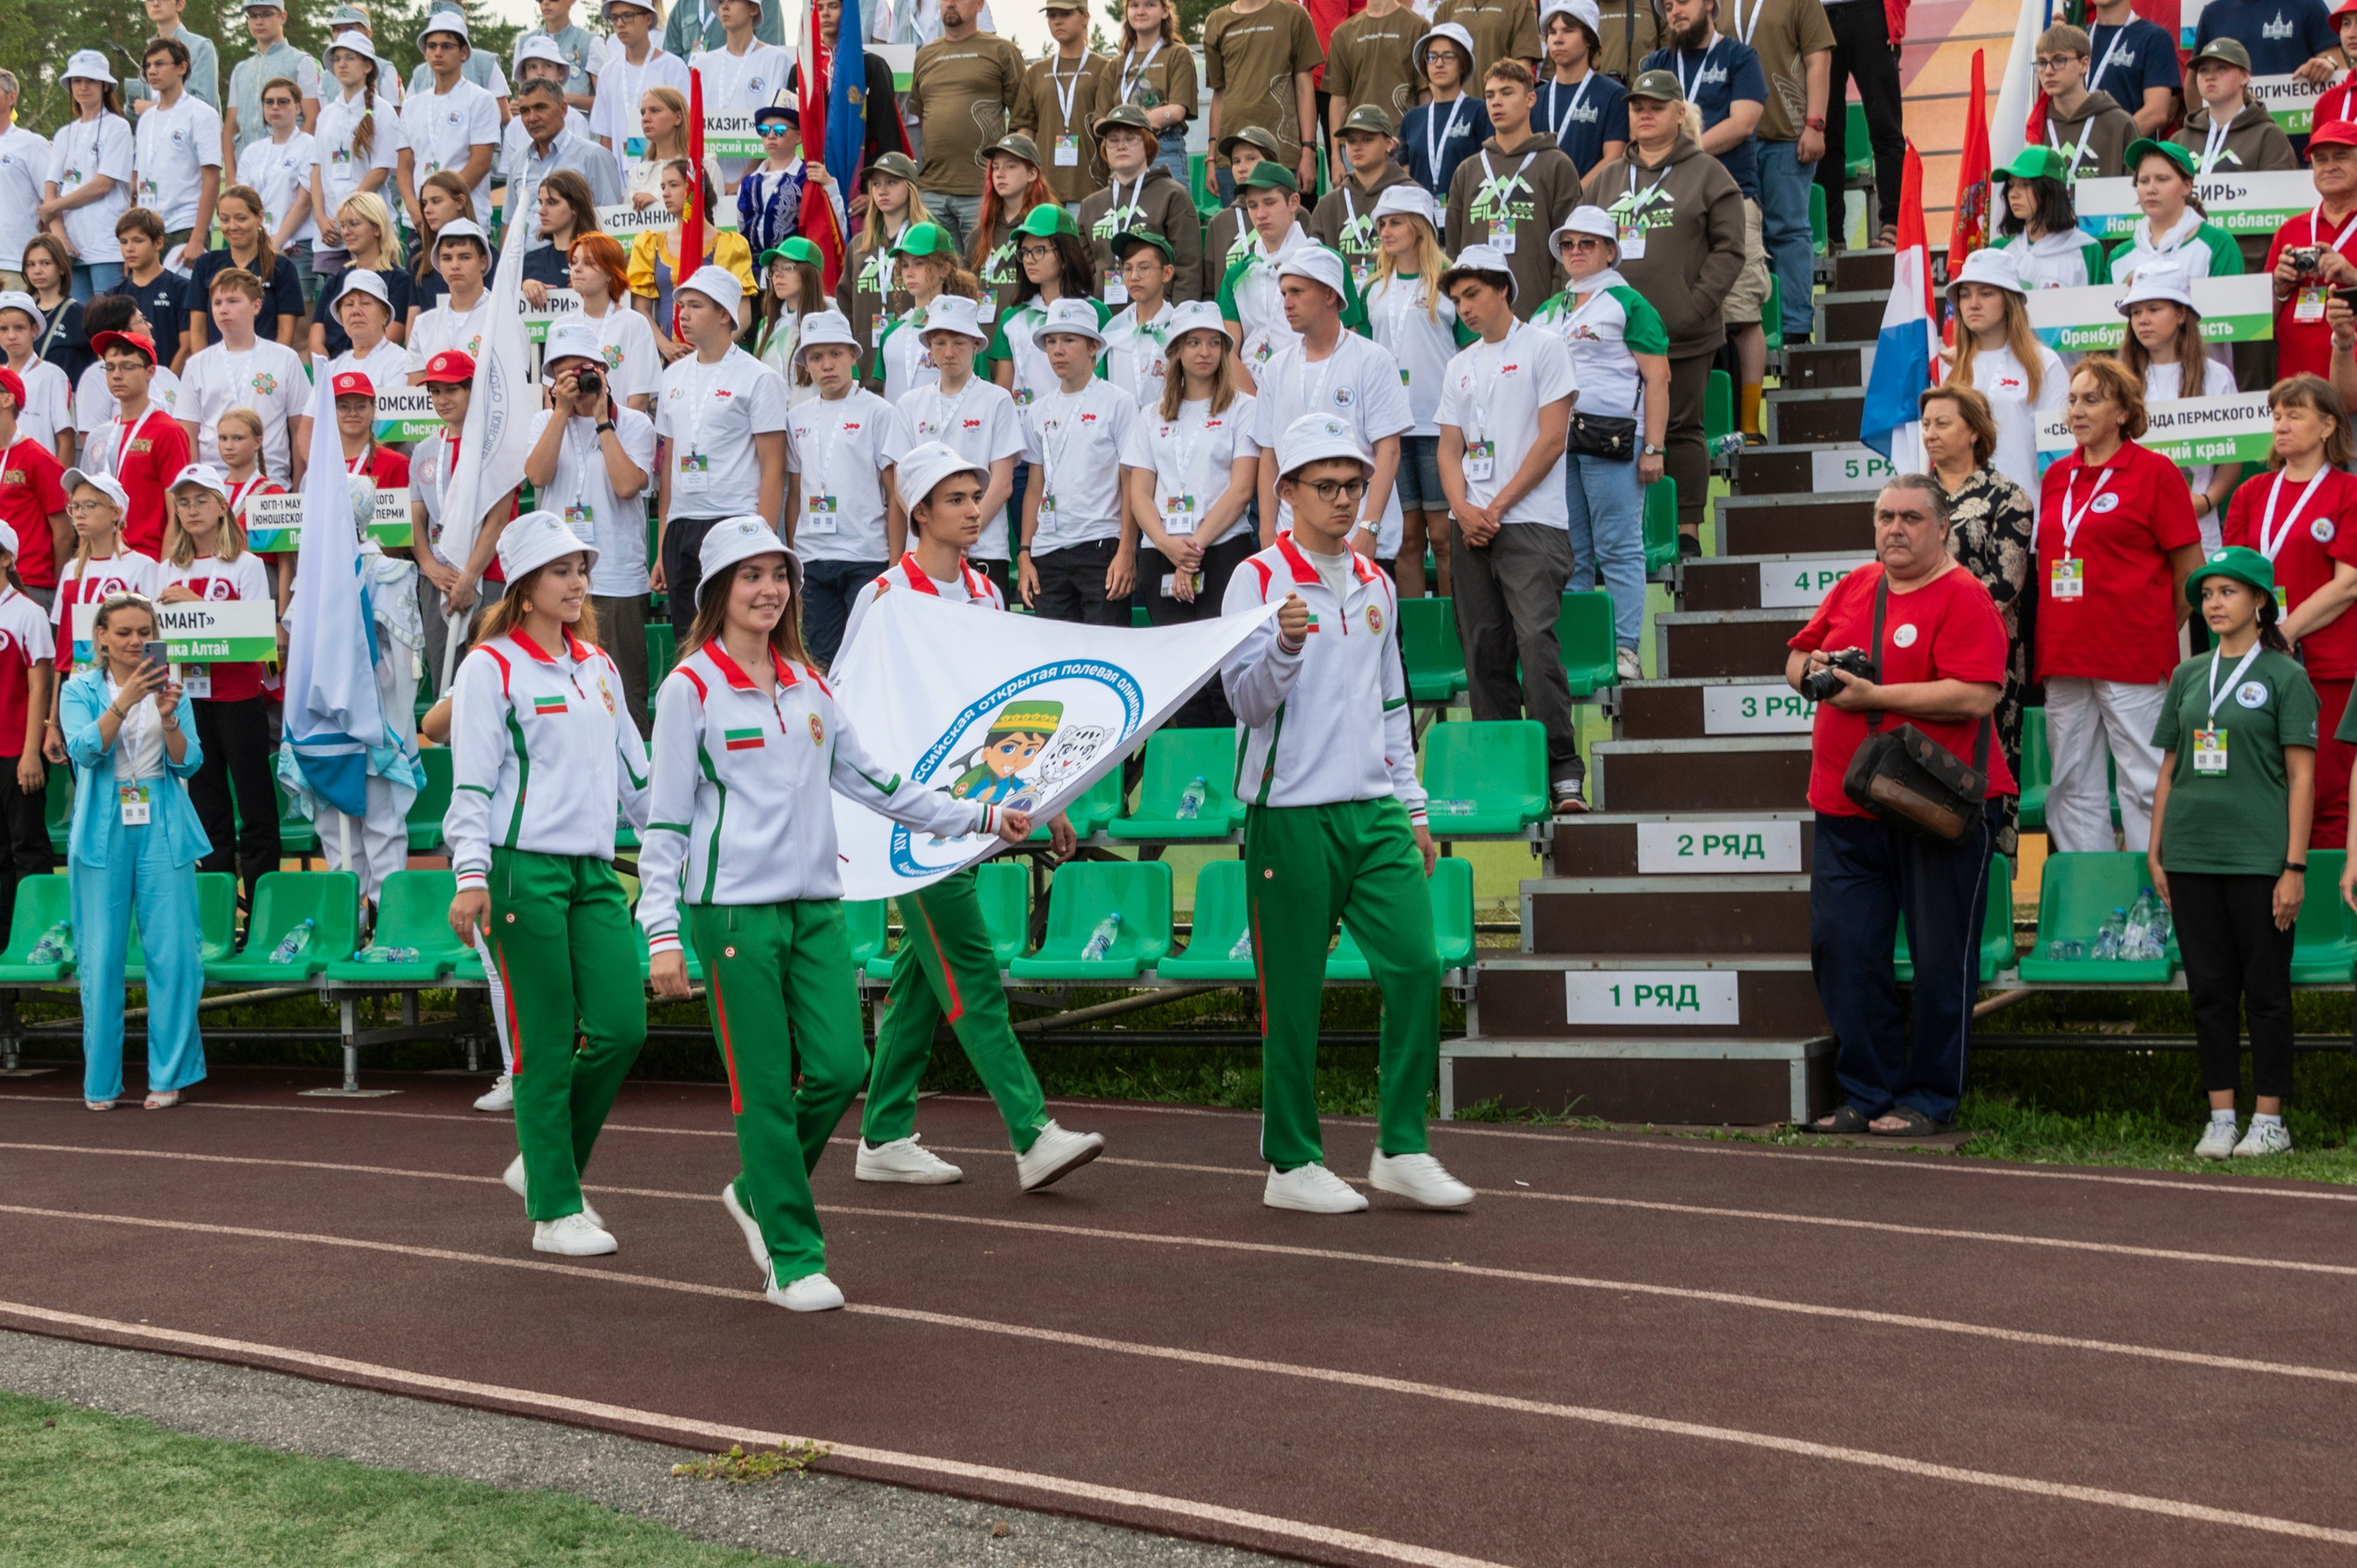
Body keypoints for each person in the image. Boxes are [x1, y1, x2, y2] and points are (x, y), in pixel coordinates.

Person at [648, 507, 1013, 1316]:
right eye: (751, 576)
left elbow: (879, 783)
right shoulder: (689, 689)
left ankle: (757, 1189)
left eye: (779, 575)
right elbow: (666, 822)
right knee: (763, 1088)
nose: (769, 590)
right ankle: (793, 1256)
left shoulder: (811, 685)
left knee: (843, 1068)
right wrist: (663, 933)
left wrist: (982, 816)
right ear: (717, 590)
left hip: (815, 905)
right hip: (731, 914)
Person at [1222, 412, 1468, 1214]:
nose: (1341, 500)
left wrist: (1414, 808)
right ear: (1287, 490)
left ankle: (1401, 1145)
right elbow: (1245, 702)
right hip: (1290, 814)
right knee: (1293, 994)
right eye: (1324, 486)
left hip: (1375, 812)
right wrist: (1284, 647)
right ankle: (1290, 1161)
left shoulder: (1377, 582)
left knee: (1417, 964)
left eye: (1353, 486)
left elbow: (1393, 702)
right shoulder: (1256, 579)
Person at [835, 459, 1100, 1195]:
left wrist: (1047, 798)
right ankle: (1032, 1132)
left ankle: (883, 1134)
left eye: (975, 496)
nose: (973, 510)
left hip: (974, 815)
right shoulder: (884, 597)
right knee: (972, 970)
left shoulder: (986, 592)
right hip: (909, 826)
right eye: (954, 499)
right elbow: (847, 703)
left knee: (925, 976)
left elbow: (1006, 711)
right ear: (919, 512)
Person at [445, 513, 654, 1258]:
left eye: (582, 568)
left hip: (594, 870)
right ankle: (555, 1209)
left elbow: (639, 778)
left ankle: (541, 1160)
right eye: (562, 570)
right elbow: (471, 783)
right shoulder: (489, 666)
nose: (578, 582)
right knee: (544, 1039)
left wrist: (683, 852)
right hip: (518, 870)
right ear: (525, 586)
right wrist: (471, 875)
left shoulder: (597, 664)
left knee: (623, 1026)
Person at [1791, 475, 2014, 1139]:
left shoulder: (1965, 596)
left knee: (1942, 959)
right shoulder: (1856, 584)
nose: (1895, 528)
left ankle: (1930, 1098)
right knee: (1843, 949)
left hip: (1933, 810)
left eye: (1911, 518)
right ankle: (1867, 1091)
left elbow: (1977, 694)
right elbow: (1797, 657)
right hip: (1844, 804)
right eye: (1885, 516)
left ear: (1942, 527)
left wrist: (1876, 697)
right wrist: (1815, 673)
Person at [2153, 547, 2316, 1159]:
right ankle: (2221, 1117)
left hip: (2259, 859)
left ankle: (2270, 1121)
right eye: (2206, 593)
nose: (2213, 603)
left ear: (2260, 601)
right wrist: (2156, 850)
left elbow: (2302, 777)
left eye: (2228, 591)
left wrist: (2294, 866)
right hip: (2190, 855)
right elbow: (2169, 768)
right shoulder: (2188, 674)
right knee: (2209, 992)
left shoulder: (2286, 676)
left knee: (2266, 994)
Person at [1436, 245, 1585, 812]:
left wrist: (1493, 507)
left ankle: (1561, 771)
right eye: (1457, 300)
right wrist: (1463, 509)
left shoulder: (1545, 347)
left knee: (1535, 644)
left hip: (1531, 523)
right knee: (1481, 652)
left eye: (1473, 294)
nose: (1465, 308)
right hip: (1471, 526)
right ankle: (1502, 775)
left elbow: (1552, 439)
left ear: (1503, 288)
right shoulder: (1459, 364)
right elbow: (1448, 449)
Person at [2038, 355, 2205, 854]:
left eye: (2092, 400)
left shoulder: (2156, 472)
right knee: (2070, 784)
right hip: (2065, 654)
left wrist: (2154, 627)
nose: (2077, 410)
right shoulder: (2057, 476)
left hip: (2133, 655)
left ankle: (2154, 893)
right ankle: (2092, 894)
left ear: (2124, 412)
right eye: (2072, 399)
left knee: (2146, 782)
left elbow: (2191, 573)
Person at [1585, 69, 1744, 555]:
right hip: (1612, 335)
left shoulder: (1708, 173)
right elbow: (1579, 244)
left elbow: (1730, 249)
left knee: (1680, 429)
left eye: (1656, 107)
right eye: (1637, 107)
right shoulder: (1607, 178)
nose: (1645, 114)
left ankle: (1686, 530)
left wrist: (1695, 307)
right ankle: (1624, 534)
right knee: (1613, 430)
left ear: (1679, 114)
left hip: (1683, 332)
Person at [64, 587, 204, 1112]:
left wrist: (167, 718)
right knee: (101, 956)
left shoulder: (173, 689)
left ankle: (169, 1075)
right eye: (123, 632)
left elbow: (190, 763)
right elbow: (83, 751)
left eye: (144, 633)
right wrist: (124, 701)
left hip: (162, 819)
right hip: (102, 827)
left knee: (174, 953)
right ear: (101, 637)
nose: (134, 641)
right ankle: (101, 1082)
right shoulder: (79, 690)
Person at [1532, 206, 1669, 685]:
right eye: (1568, 244)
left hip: (1615, 438)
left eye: (1587, 243)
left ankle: (1625, 647)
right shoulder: (1550, 307)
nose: (1575, 251)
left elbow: (1658, 378)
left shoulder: (1629, 302)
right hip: (1558, 443)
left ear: (1610, 251)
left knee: (1619, 546)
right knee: (1570, 551)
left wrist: (1654, 447)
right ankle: (1585, 648)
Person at [2226, 375, 2357, 852]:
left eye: (2294, 415)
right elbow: (2233, 578)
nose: (2280, 425)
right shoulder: (2251, 492)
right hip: (2259, 661)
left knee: (2327, 792)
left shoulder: (2348, 492)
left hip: (2327, 665)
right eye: (2276, 415)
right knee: (2266, 786)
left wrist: (2285, 630)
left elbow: (2348, 583)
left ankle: (2328, 893)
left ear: (2327, 425)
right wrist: (2260, 638)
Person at [1120, 302, 1260, 726]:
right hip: (1160, 552)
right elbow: (1139, 493)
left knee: (1222, 675)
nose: (1204, 352)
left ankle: (1229, 765)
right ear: (1177, 351)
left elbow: (1241, 490)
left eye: (1214, 343)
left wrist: (1191, 550)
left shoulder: (1242, 408)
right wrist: (1167, 545)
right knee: (1182, 682)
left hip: (1222, 550)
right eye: (1194, 342)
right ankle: (1193, 764)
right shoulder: (1151, 414)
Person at [1919, 385, 2035, 859]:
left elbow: (2004, 586)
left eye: (1942, 423)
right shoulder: (1910, 495)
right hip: (1916, 652)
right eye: (1926, 424)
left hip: (1985, 656)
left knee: (1987, 768)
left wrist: (1936, 620)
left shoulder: (2008, 497)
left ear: (1974, 432)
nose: (1930, 433)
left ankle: (1990, 884)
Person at [1644, 0, 1771, 431]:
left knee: (1743, 314)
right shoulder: (1657, 65)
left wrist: (1684, 153)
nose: (1674, 11)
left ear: (1711, 4)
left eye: (1683, 1)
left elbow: (1743, 123)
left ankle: (1750, 425)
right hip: (1665, 204)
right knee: (1670, 315)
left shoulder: (1740, 56)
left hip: (1731, 196)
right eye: (1667, 6)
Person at [527, 320, 657, 730]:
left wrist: (603, 420)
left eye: (582, 369)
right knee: (565, 693)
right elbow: (537, 476)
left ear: (601, 370)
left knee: (626, 695)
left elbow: (627, 486)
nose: (575, 379)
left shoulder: (634, 423)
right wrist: (560, 412)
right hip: (559, 577)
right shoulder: (543, 423)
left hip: (618, 577)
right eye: (563, 371)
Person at [156, 461, 276, 901]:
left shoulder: (246, 565)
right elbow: (159, 637)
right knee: (208, 810)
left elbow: (258, 639)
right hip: (190, 699)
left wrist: (196, 604)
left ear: (223, 506)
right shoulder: (167, 568)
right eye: (183, 502)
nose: (191, 510)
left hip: (238, 697)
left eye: (201, 500)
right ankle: (219, 908)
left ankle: (262, 905)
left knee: (255, 805)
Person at [1250, 246, 1411, 573]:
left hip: (1357, 537)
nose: (1287, 303)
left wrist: (1369, 528)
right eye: (1284, 293)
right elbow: (1269, 454)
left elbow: (1389, 451)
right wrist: (1267, 531)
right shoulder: (1276, 368)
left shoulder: (1372, 360)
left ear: (1329, 295)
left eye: (1297, 292)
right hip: (1292, 541)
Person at [656, 268, 787, 645]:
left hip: (735, 520)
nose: (683, 314)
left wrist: (761, 541)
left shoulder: (758, 377)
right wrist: (663, 546)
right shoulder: (672, 375)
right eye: (682, 305)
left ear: (725, 314)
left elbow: (774, 466)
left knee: (738, 640)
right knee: (690, 644)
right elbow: (668, 465)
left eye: (695, 306)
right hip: (682, 526)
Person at [783, 310, 909, 662]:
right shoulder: (797, 417)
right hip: (813, 561)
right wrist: (794, 557)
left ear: (853, 355)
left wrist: (894, 564)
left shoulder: (878, 412)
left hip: (865, 557)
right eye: (816, 357)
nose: (827, 365)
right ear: (806, 364)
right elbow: (795, 494)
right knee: (823, 661)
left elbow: (895, 494)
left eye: (836, 354)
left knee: (868, 658)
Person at [1018, 297, 1138, 624]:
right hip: (1047, 551)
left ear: (1093, 347)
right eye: (1051, 341)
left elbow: (1130, 481)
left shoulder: (1119, 403)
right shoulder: (1037, 411)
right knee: (1055, 653)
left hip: (1101, 545)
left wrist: (1126, 550)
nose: (1058, 350)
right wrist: (1025, 552)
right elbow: (1034, 487)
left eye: (1069, 340)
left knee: (1106, 650)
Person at [411, 351, 522, 693]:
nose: (442, 399)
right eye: (435, 391)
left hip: (487, 576)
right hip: (438, 579)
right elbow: (416, 517)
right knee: (443, 682)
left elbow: (498, 520)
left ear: (474, 390)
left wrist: (468, 578)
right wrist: (430, 567)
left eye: (452, 390)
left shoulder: (497, 448)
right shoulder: (424, 450)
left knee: (489, 682)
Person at [1444, 62, 1585, 322]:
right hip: (1475, 325)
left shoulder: (1556, 165)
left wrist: (1555, 311)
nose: (1496, 102)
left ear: (1530, 99)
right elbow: (1453, 252)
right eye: (1490, 95)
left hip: (1539, 319)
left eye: (1507, 93)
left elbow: (1570, 248)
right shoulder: (1467, 170)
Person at [2117, 264, 2241, 551]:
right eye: (2135, 312)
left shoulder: (2216, 376)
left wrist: (2207, 501)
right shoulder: (2118, 379)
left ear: (2182, 314)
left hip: (2198, 527)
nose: (2142, 320)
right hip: (2131, 523)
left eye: (2154, 309)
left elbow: (2233, 453)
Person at [1732, 0, 1833, 350]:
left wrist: (1815, 124)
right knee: (1738, 235)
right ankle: (1748, 328)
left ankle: (1794, 327)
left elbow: (1818, 59)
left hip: (1785, 134)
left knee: (1788, 230)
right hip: (1731, 140)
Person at [897, 296, 1021, 565]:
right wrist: (938, 535)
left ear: (975, 344)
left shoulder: (997, 399)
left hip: (983, 550)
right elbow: (902, 483)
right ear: (929, 346)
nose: (949, 352)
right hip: (925, 553)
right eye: (940, 343)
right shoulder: (909, 403)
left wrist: (963, 535)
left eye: (959, 343)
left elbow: (1002, 483)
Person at [906, 0, 1022, 253]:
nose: (950, 3)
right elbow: (924, 117)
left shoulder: (1002, 50)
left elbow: (1023, 119)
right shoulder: (924, 56)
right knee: (937, 273)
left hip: (982, 190)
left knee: (985, 271)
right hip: (932, 192)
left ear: (980, 5)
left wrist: (1011, 176)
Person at [179, 270, 308, 483]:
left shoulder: (285, 359)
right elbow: (188, 435)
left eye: (233, 301)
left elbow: (300, 430)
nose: (223, 309)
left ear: (256, 306)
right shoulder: (196, 365)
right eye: (217, 303)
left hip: (271, 483)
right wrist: (196, 485)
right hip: (214, 484)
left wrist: (298, 486)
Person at [986, 205, 1108, 415]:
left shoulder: (1095, 312)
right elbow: (1003, 387)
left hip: (1079, 423)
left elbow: (1103, 381)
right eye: (1025, 252)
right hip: (1023, 427)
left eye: (1039, 250)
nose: (1029, 259)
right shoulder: (1011, 316)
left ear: (1066, 255)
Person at [1079, 107, 1206, 305]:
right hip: (1103, 317)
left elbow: (1188, 267)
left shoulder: (1172, 196)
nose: (1121, 146)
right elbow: (1083, 272)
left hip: (1159, 317)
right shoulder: (1090, 205)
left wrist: (1179, 317)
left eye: (1130, 138)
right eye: (1113, 139)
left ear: (1148, 144)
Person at [1201, 0, 1325, 197]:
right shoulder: (1216, 21)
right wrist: (1212, 157)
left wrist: (1309, 150)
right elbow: (1219, 94)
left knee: (1280, 215)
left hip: (1281, 153)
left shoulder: (1294, 15)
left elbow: (1304, 88)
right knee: (1238, 218)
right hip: (1231, 157)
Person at [2266, 119, 2357, 383]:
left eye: (2341, 156)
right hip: (2298, 384)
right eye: (2320, 159)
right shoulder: (2290, 229)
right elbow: (2262, 321)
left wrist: (2353, 275)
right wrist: (2279, 288)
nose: (2329, 166)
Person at [86, 329, 191, 558]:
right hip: (104, 560)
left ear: (150, 372)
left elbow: (178, 512)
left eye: (127, 366)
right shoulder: (99, 435)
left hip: (148, 559)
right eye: (110, 367)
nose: (116, 375)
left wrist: (165, 570)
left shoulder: (168, 432)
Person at [397, 11, 502, 239]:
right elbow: (404, 167)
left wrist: (445, 204)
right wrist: (415, 207)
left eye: (446, 46)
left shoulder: (481, 99)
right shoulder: (412, 105)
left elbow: (480, 163)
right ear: (425, 53)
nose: (438, 52)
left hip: (464, 217)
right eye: (432, 46)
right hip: (419, 221)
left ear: (464, 52)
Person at [41, 52, 134, 304]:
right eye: (77, 81)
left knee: (109, 318)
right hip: (72, 249)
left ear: (104, 86)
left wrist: (53, 207)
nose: (83, 87)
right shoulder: (63, 133)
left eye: (91, 80)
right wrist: (60, 238)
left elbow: (102, 186)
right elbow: (50, 188)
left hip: (107, 246)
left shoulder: (118, 126)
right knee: (80, 321)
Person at [0, 517, 52, 937]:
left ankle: (35, 936)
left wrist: (31, 751)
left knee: (27, 847)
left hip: (17, 749)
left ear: (6, 558)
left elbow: (40, 686)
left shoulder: (28, 613)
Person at [312, 31, 399, 284]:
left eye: (350, 58)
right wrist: (320, 218)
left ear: (367, 65)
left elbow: (380, 171)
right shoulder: (327, 114)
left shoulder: (383, 111)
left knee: (372, 295)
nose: (342, 64)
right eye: (337, 58)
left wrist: (346, 216)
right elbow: (316, 169)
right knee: (336, 301)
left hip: (369, 226)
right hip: (330, 232)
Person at [1016, 0, 1120, 208]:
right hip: (1044, 192)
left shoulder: (1105, 68)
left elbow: (1116, 130)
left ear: (1085, 17)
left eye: (1065, 14)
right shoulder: (1036, 72)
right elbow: (1025, 130)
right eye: (1052, 15)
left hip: (1092, 189)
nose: (1057, 21)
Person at [134, 36, 225, 272]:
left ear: (182, 67)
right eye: (148, 65)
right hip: (148, 228)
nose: (152, 71)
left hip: (185, 226)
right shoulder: (145, 119)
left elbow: (212, 179)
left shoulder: (202, 114)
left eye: (160, 64)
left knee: (181, 295)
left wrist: (197, 238)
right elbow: (139, 178)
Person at [2107, 140, 2243, 297]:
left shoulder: (2219, 245)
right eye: (2144, 181)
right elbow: (2107, 311)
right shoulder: (2118, 257)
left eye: (2162, 179)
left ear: (2187, 186)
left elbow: (2230, 309)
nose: (2151, 189)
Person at [832, 152, 930, 371]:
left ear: (910, 187)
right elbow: (844, 304)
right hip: (865, 364)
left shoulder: (928, 240)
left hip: (917, 364)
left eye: (891, 182)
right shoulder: (859, 245)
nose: (882, 190)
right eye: (876, 184)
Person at [503, 80, 623, 258]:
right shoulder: (518, 160)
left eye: (540, 108)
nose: (532, 118)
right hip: (524, 266)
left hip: (576, 264)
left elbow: (612, 224)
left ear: (563, 109)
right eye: (525, 111)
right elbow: (509, 222)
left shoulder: (593, 156)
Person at [1216, 164, 1311, 388]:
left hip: (1312, 386)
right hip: (1252, 391)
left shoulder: (1324, 263)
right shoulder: (1236, 274)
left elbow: (1347, 335)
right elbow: (1228, 351)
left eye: (1269, 202)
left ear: (1293, 202)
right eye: (1252, 205)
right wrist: (1254, 401)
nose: (1260, 214)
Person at [688, 0, 796, 193]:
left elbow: (776, 125)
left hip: (761, 183)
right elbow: (694, 128)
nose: (724, 6)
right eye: (721, 2)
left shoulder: (776, 60)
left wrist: (744, 180)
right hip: (707, 184)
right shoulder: (703, 64)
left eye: (732, 0)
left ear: (753, 9)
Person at [1307, 106, 1414, 292]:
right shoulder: (1328, 204)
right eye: (1351, 141)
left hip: (1401, 303)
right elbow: (1314, 268)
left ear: (1389, 144)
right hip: (1345, 307)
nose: (1357, 146)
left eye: (1367, 139)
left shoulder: (1410, 195)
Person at [185, 187, 303, 350]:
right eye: (225, 220)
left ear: (259, 217)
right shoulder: (205, 264)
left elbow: (286, 332)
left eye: (241, 219)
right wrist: (205, 364)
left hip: (264, 364)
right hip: (217, 362)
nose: (232, 226)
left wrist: (271, 364)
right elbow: (198, 330)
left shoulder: (282, 266)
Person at [869, 223, 974, 402]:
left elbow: (978, 391)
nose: (909, 273)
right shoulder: (891, 333)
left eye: (919, 263)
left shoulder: (966, 328)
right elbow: (888, 394)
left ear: (944, 269)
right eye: (905, 265)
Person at [2174, 39, 2299, 184]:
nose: (2210, 76)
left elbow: (2279, 191)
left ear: (2244, 76)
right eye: (2203, 70)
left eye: (2221, 68)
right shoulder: (2179, 139)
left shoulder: (2268, 136)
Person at [0, 366, 72, 608]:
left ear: (7, 399)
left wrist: (58, 592)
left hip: (29, 585)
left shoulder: (38, 458)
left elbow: (64, 534)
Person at [2033, 24, 2141, 183]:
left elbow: (2136, 189)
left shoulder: (2119, 124)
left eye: (2059, 60)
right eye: (2042, 63)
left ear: (2084, 64)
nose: (2048, 71)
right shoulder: (2035, 125)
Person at [566, 231, 660, 412]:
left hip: (619, 427)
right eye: (574, 262)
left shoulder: (635, 324)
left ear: (610, 273)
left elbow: (639, 400)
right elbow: (551, 396)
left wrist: (609, 428)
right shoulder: (562, 327)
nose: (576, 269)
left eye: (588, 263)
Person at [590, 0, 691, 170]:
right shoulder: (608, 72)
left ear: (648, 19)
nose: (620, 24)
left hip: (664, 174)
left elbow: (685, 127)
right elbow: (605, 136)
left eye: (627, 16)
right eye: (615, 18)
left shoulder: (673, 66)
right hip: (620, 177)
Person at [1535, 0, 1629, 180]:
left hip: (1591, 196)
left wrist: (1575, 193)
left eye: (1568, 31)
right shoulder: (1535, 98)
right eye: (1552, 32)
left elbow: (1614, 158)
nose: (1557, 39)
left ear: (1589, 39)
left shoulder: (1614, 95)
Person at [309, 193, 410, 361]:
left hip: (377, 370)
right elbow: (316, 340)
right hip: (333, 370)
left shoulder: (400, 281)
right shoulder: (335, 281)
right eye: (342, 226)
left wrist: (356, 368)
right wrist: (330, 371)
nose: (346, 232)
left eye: (354, 224)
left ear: (377, 228)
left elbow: (391, 338)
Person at [1991, 145, 2107, 290]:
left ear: (2051, 191)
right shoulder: (1999, 249)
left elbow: (2096, 302)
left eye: (2025, 185)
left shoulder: (2088, 250)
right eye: (2011, 185)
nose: (2013, 194)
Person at [1115, 0, 1201, 187]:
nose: (1141, 11)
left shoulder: (1178, 54)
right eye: (1134, 5)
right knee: (1127, 207)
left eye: (1150, 5)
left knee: (1170, 205)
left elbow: (1176, 111)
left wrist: (1124, 123)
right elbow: (1100, 120)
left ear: (1165, 11)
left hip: (1164, 146)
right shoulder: (1116, 64)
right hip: (1122, 150)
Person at [1326, 0, 1423, 163]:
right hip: (1355, 146)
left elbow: (1425, 94)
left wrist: (1421, 145)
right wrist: (1335, 157)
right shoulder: (1342, 34)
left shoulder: (1419, 27)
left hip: (1403, 144)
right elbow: (1338, 100)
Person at [225, 1, 321, 164]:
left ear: (282, 17)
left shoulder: (302, 62)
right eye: (253, 16)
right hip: (246, 167)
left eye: (266, 14)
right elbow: (230, 126)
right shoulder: (241, 70)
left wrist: (293, 161)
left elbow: (313, 118)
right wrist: (231, 174)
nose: (259, 21)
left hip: (288, 167)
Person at [971, 133, 1053, 325]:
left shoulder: (1047, 228)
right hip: (984, 335)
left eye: (1010, 166)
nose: (1000, 173)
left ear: (1032, 174)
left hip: (1030, 333)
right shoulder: (980, 233)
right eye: (995, 167)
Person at [403, 218, 495, 377]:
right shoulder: (423, 324)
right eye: (446, 258)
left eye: (464, 257)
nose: (455, 266)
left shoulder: (503, 319)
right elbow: (415, 388)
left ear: (483, 262)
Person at [1401, 26, 1484, 201]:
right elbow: (1403, 175)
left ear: (1463, 64)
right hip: (1420, 212)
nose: (1439, 63)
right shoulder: (1412, 118)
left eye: (1448, 56)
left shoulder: (1479, 111)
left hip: (1467, 209)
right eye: (1432, 57)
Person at [1099, 232, 1178, 408]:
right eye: (1128, 269)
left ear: (1167, 273)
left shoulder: (1179, 330)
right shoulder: (1113, 331)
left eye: (1143, 268)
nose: (1134, 276)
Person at [2084, 0, 2182, 137]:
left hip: (2126, 148)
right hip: (2074, 147)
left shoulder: (2154, 38)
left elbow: (2156, 112)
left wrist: (2109, 144)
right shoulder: (2078, 38)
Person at [0, 290, 75, 468]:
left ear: (34, 330)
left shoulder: (53, 376)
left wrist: (58, 482)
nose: (11, 336)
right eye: (3, 329)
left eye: (19, 328)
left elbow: (66, 439)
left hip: (40, 475)